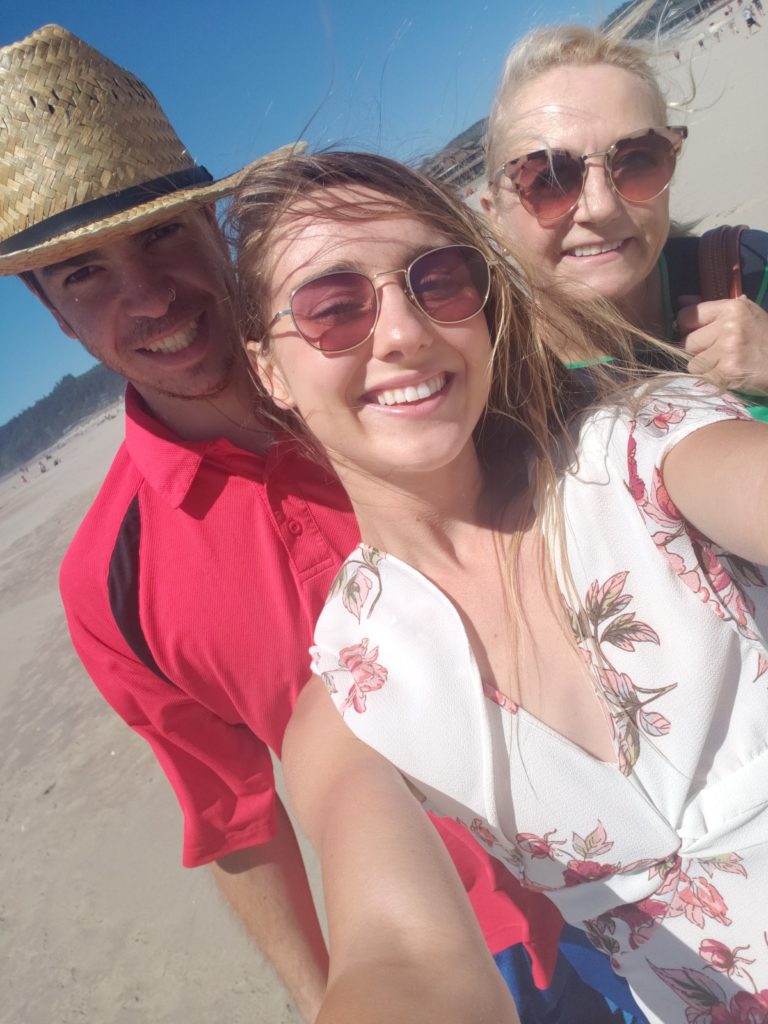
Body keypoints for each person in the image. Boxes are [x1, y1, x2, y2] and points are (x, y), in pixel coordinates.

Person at [0, 24, 628, 1024]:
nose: (150, 294)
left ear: (218, 225)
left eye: (161, 235)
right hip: (476, 950)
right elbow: (235, 817)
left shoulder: (409, 376)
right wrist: (315, 993)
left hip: (657, 840)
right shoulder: (110, 582)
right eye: (85, 274)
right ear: (56, 319)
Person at [231, 148, 768, 1024]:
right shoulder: (354, 699)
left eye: (438, 281)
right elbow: (399, 956)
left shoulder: (639, 455)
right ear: (270, 370)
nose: (404, 333)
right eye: (334, 308)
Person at [480, 25, 768, 416]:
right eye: (548, 177)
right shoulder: (488, 393)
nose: (600, 207)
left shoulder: (747, 271)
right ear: (494, 214)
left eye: (636, 160)